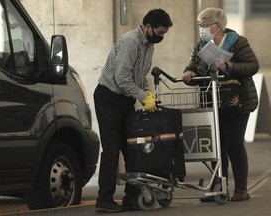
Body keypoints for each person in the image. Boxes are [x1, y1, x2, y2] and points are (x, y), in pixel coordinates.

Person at [94, 9, 173, 212]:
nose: (161, 36)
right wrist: (142, 96)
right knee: (112, 151)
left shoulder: (149, 45)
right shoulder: (131, 41)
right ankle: (104, 200)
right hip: (108, 98)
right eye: (160, 32)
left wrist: (148, 94)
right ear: (148, 27)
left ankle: (132, 196)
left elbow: (140, 76)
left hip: (125, 99)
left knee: (133, 149)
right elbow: (121, 78)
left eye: (164, 33)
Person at [182, 7, 259, 202]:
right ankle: (219, 186)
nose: (202, 30)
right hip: (212, 101)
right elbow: (193, 65)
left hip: (237, 102)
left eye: (205, 26)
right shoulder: (201, 44)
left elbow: (252, 65)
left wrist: (230, 66)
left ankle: (241, 188)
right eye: (200, 26)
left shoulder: (238, 42)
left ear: (217, 26)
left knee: (233, 143)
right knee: (216, 145)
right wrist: (189, 74)